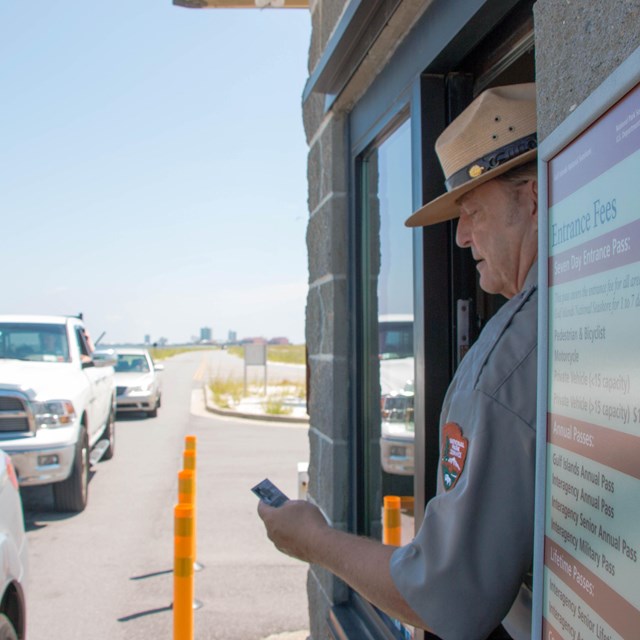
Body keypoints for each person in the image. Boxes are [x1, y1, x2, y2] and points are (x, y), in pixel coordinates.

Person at [258, 83, 539, 640]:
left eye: (472, 209)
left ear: (530, 198)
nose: (460, 237)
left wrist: (313, 540)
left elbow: (445, 597)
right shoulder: (578, 309)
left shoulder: (507, 360)